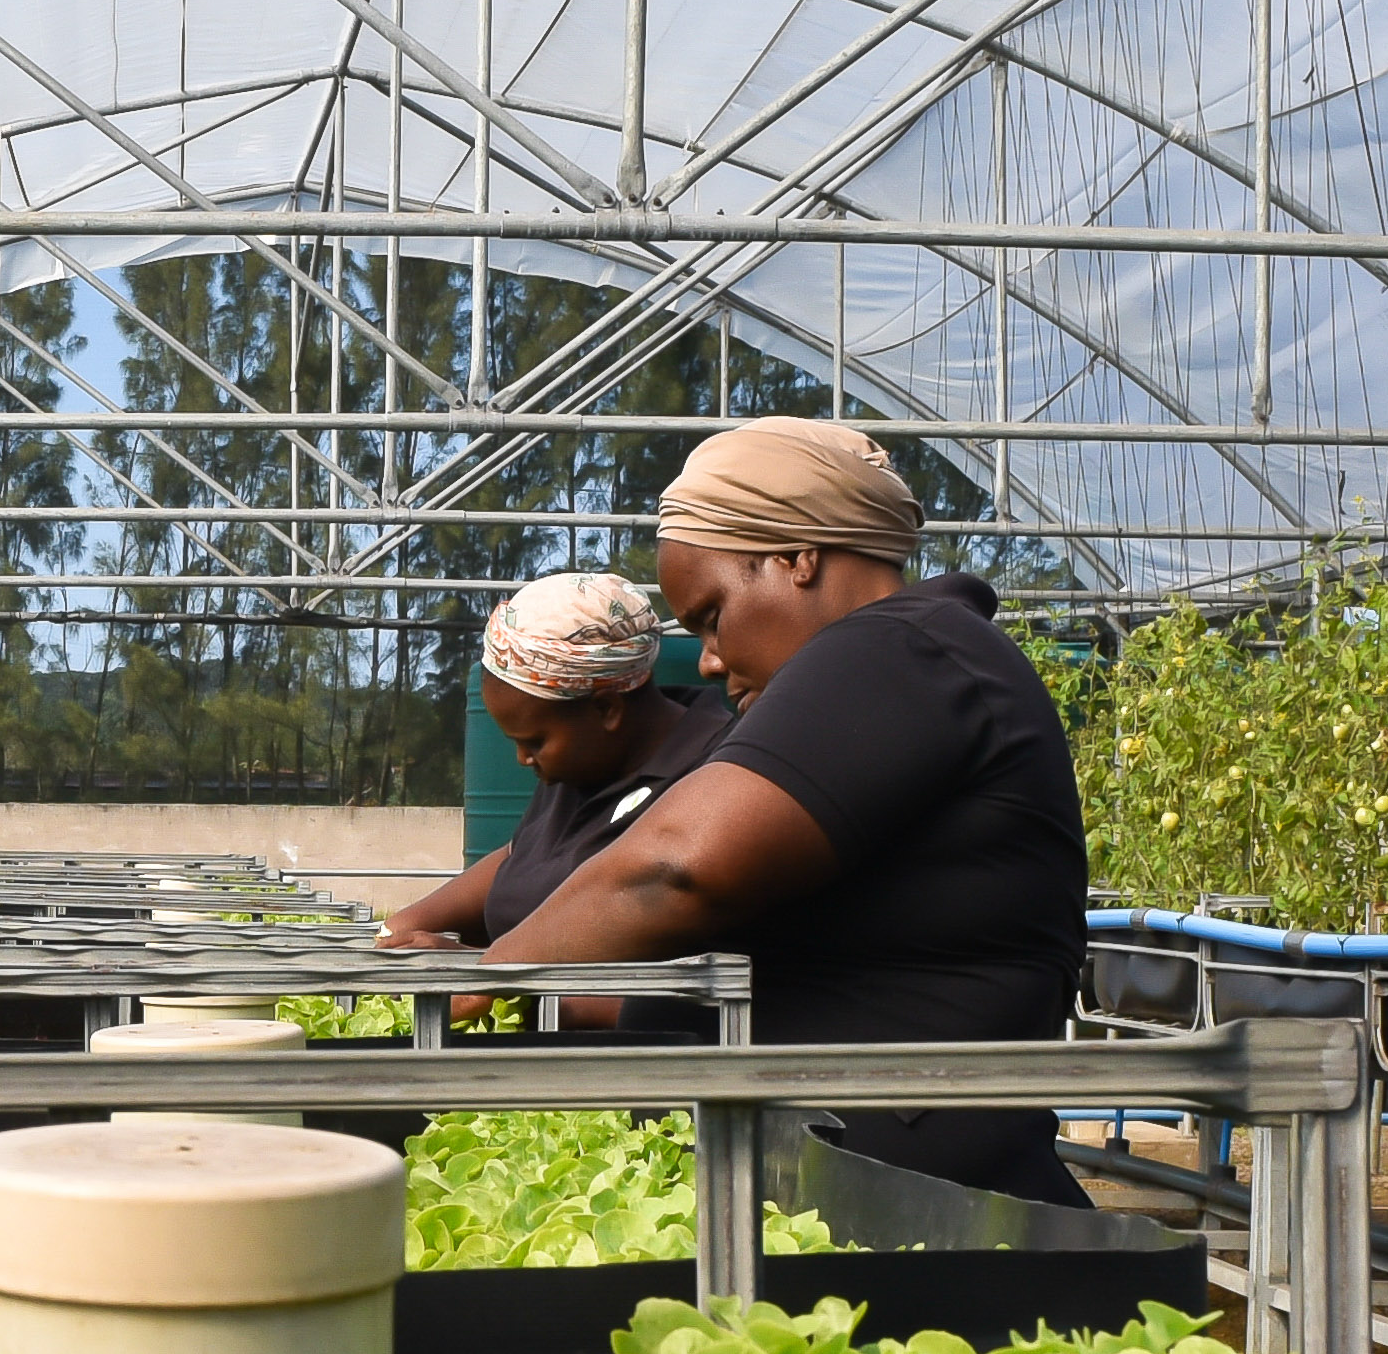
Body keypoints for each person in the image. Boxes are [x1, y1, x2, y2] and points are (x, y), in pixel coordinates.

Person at [483, 415, 1096, 1209]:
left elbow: (676, 867)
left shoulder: (904, 648)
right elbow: (818, 972)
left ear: (795, 556)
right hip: (856, 1173)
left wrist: (487, 979)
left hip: (896, 1197)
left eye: (710, 615)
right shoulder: (905, 664)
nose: (706, 657)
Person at [382, 571, 742, 950]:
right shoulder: (583, 767)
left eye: (535, 742)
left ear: (605, 709)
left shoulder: (717, 772)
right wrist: (402, 925)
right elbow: (520, 855)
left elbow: (662, 965)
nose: (523, 758)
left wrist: (475, 971)